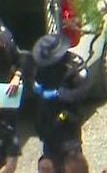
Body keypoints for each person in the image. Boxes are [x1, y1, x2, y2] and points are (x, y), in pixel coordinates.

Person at [30, 33, 92, 164]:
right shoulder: (42, 62)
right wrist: (35, 86)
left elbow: (83, 91)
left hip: (67, 120)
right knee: (49, 163)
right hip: (47, 119)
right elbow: (32, 77)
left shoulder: (74, 65)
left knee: (72, 162)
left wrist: (59, 94)